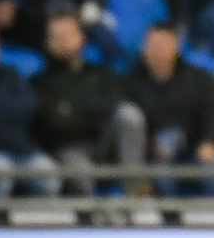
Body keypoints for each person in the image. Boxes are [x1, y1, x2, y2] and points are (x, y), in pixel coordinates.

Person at [32, 11, 146, 194]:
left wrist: (73, 109)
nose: (63, 42)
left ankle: (132, 197)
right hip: (68, 149)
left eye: (68, 36)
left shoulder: (101, 74)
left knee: (129, 114)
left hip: (104, 144)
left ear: (81, 38)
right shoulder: (40, 83)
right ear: (48, 42)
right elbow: (55, 124)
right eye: (57, 37)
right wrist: (94, 110)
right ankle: (91, 218)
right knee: (79, 168)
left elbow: (117, 104)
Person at [125, 24, 214, 196]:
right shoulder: (131, 84)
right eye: (153, 46)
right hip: (155, 156)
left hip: (195, 150)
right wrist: (151, 145)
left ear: (176, 47)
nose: (158, 51)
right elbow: (132, 131)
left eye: (163, 45)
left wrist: (210, 142)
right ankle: (170, 220)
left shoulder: (198, 79)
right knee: (162, 171)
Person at [0, 22, 59, 196]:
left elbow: (29, 106)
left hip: (21, 146)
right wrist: (2, 107)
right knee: (0, 174)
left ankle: (39, 222)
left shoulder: (10, 74)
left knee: (48, 175)